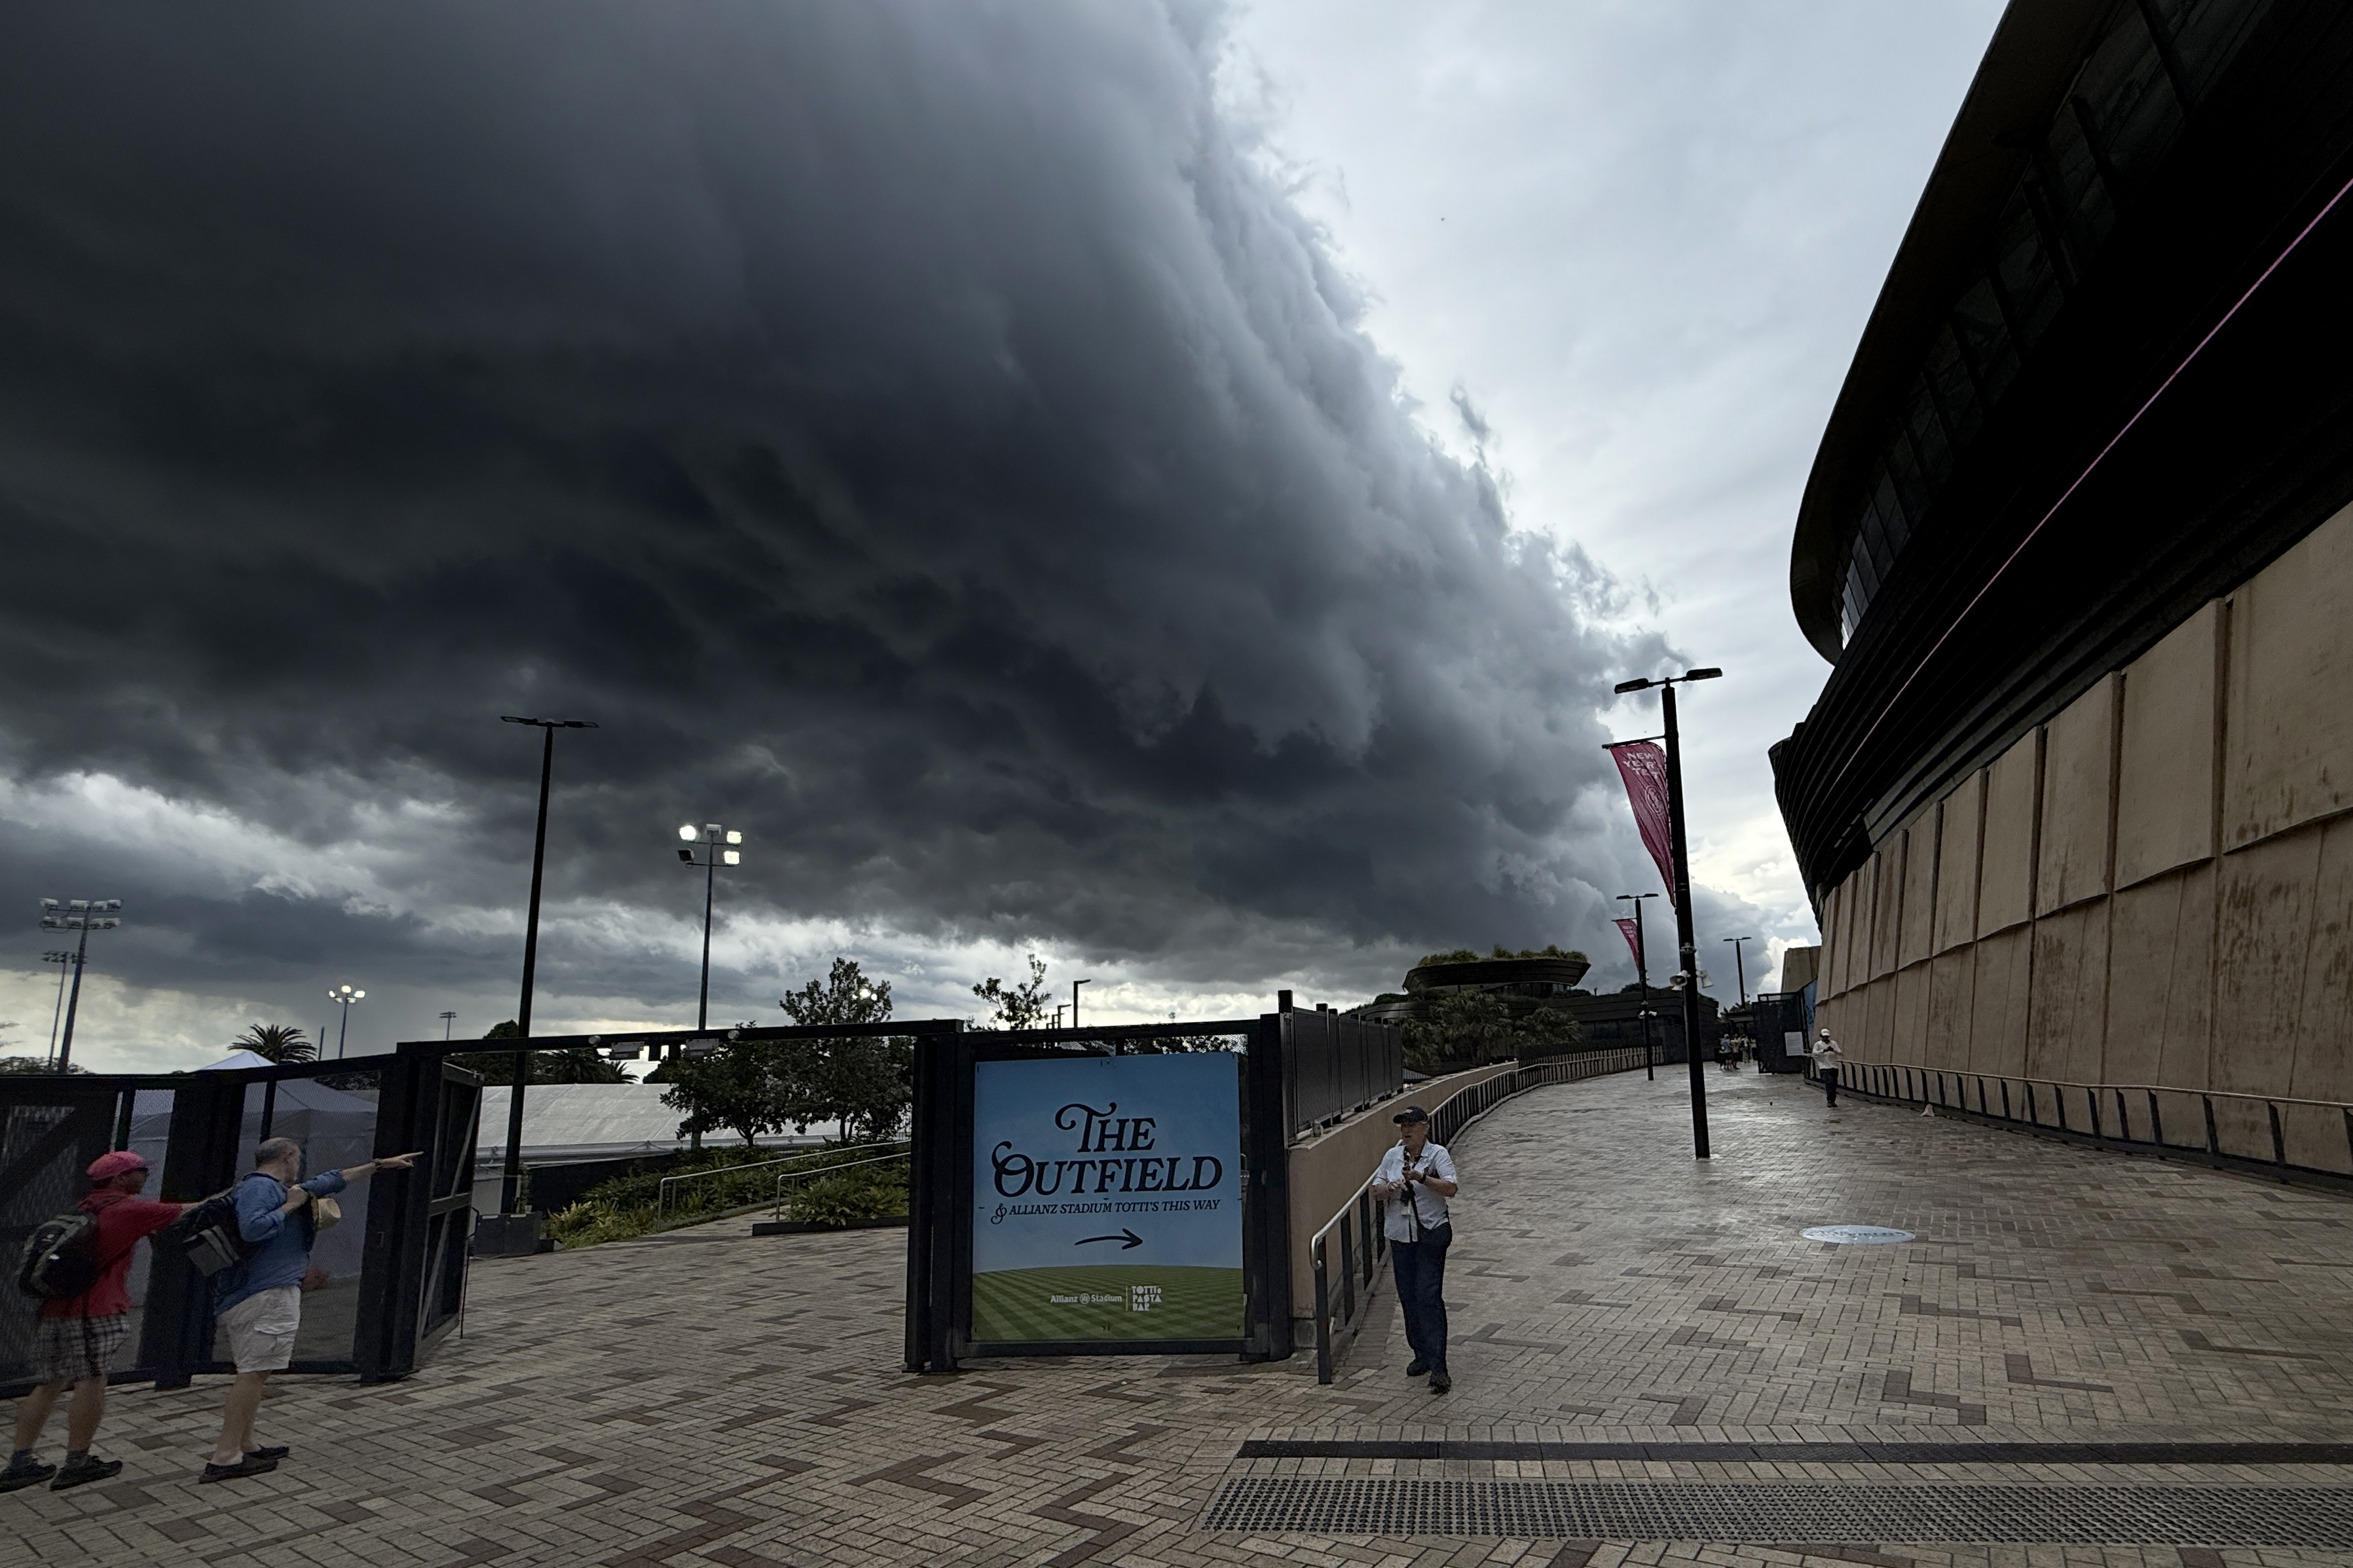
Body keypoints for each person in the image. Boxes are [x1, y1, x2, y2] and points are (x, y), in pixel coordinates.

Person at [202, 1137, 417, 1483]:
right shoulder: (262, 1189)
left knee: (258, 1371)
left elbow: (327, 1180)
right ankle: (225, 1456)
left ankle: (246, 1442)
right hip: (263, 1292)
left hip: (263, 1291)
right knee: (253, 1371)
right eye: (297, 1159)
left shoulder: (270, 1186)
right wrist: (291, 1206)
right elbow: (253, 1228)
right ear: (288, 1156)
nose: (299, 1166)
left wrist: (379, 1165)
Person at [2, 1151, 188, 1492]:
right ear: (120, 1179)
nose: (145, 1175)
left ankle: (19, 1462)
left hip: (55, 1309)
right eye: (140, 1171)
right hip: (96, 1311)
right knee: (91, 1381)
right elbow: (191, 1211)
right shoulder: (130, 1209)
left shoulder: (80, 1209)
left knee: (48, 1384)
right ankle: (77, 1462)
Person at [1369, 1105, 1459, 1395]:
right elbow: (1375, 1189)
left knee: (1428, 1296)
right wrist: (1390, 1188)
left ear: (1425, 1127)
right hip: (1400, 1236)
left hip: (1430, 1235)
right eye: (1402, 1126)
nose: (1406, 1131)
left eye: (1411, 1125)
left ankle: (1439, 1366)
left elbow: (1451, 1188)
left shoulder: (1438, 1155)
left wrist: (1422, 1179)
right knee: (1408, 1296)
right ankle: (1420, 1353)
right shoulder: (1392, 1156)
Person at [1809, 1027, 1845, 1108]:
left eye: (1827, 1037)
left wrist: (1833, 1050)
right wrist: (1824, 1051)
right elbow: (1814, 1054)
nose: (1826, 1038)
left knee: (1833, 1084)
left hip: (1834, 1066)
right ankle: (1830, 1100)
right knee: (1829, 1083)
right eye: (1824, 1037)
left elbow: (1840, 1053)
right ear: (1821, 1036)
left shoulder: (1833, 1043)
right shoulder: (1818, 1044)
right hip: (1824, 1067)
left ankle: (1832, 1100)